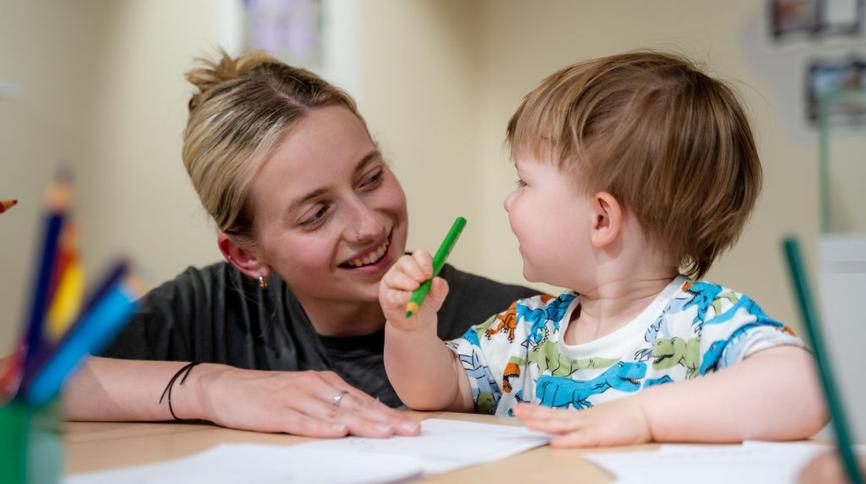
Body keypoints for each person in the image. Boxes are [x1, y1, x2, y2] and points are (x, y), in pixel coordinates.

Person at [63, 49, 535, 438]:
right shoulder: (208, 308)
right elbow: (19, 380)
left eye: (371, 177)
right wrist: (212, 388)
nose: (368, 226)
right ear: (245, 255)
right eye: (316, 214)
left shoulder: (511, 322)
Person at [380, 51, 828, 447]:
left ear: (601, 219)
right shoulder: (526, 328)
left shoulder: (701, 323)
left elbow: (808, 388)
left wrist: (644, 416)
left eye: (524, 182)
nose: (509, 200)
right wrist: (411, 331)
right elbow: (435, 391)